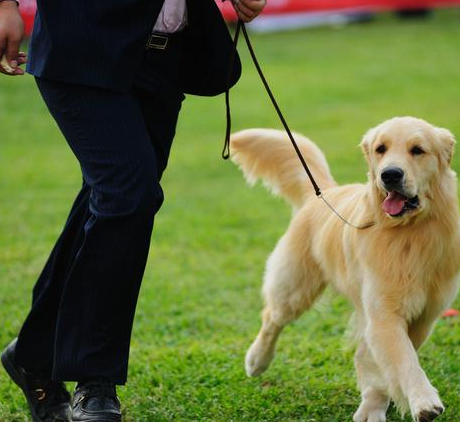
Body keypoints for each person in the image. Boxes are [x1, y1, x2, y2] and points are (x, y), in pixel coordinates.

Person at [0, 0, 266, 420]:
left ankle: (33, 353)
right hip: (81, 44)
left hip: (166, 54)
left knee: (112, 199)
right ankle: (95, 379)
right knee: (128, 194)